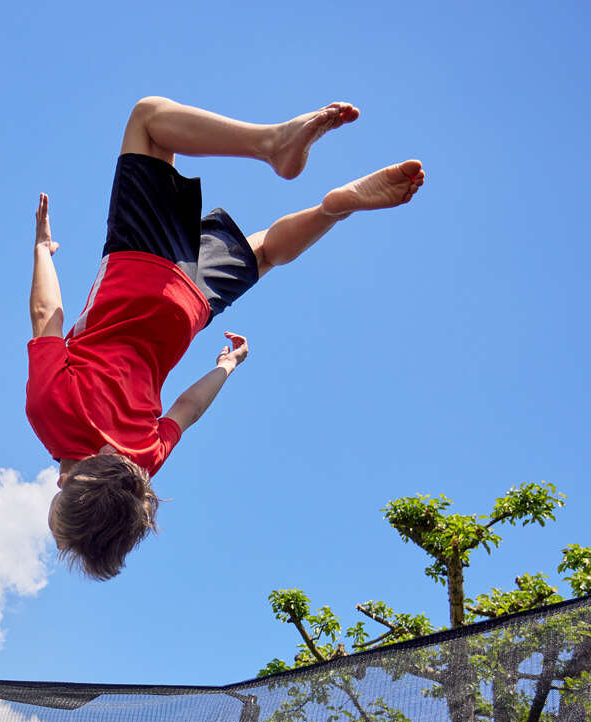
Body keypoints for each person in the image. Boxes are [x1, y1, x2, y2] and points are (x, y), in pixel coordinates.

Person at [26, 96, 424, 579]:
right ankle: (271, 143)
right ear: (66, 482)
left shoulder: (142, 462)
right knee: (147, 120)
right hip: (139, 272)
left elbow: (187, 410)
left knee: (267, 252)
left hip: (186, 312)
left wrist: (226, 366)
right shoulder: (50, 411)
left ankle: (333, 209)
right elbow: (47, 314)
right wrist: (44, 251)